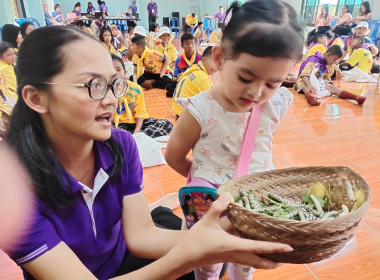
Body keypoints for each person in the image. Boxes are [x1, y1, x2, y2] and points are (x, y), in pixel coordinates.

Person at [1, 24, 292, 280]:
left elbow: (140, 237)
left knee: (213, 260)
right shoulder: (10, 190)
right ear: (36, 98)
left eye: (114, 83)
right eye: (94, 85)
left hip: (124, 257)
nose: (112, 99)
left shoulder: (121, 145)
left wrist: (209, 241)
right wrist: (191, 253)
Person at [165, 1, 303, 279]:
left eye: (271, 83)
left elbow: (260, 145)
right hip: (210, 205)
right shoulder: (200, 109)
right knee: (207, 265)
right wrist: (203, 178)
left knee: (246, 261)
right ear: (219, 58)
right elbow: (173, 155)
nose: (256, 91)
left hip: (255, 204)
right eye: (245, 76)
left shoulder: (277, 104)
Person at [112, 54, 173, 137]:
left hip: (137, 123)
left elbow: (140, 113)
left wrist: (137, 131)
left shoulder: (136, 89)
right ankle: (126, 137)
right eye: (111, 70)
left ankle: (129, 137)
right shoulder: (107, 91)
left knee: (167, 125)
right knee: (112, 133)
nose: (115, 74)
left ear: (125, 72)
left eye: (118, 70)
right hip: (118, 124)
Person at [295, 45, 366, 106]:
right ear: (328, 55)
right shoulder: (313, 60)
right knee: (307, 88)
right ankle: (312, 98)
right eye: (335, 59)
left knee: (333, 88)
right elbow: (304, 76)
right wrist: (309, 85)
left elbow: (326, 77)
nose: (335, 62)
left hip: (319, 80)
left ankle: (356, 97)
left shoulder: (329, 63)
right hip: (305, 80)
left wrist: (328, 84)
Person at [172, 46, 217, 117]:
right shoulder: (202, 77)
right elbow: (209, 102)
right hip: (185, 113)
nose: (217, 67)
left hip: (178, 109)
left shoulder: (196, 68)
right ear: (204, 60)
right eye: (214, 62)